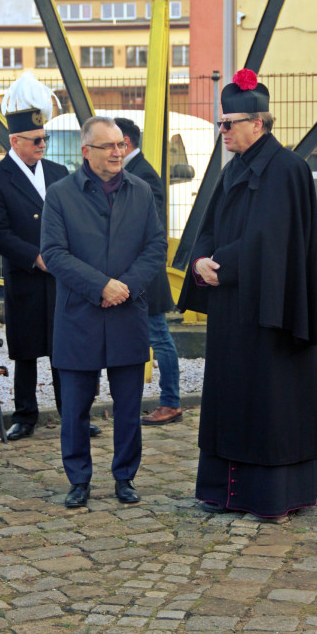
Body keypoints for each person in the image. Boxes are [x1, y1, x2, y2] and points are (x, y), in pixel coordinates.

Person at [178, 69, 317, 517]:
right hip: (233, 308)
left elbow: (270, 240)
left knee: (270, 402)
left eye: (228, 123)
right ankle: (226, 492)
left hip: (274, 311)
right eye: (220, 123)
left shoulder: (287, 169)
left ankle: (272, 495)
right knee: (231, 396)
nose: (222, 131)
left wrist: (220, 267)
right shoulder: (234, 170)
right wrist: (200, 261)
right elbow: (207, 226)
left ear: (258, 123)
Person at [41, 116, 167, 508]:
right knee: (76, 407)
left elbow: (156, 247)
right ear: (86, 151)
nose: (117, 152)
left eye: (121, 145)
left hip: (128, 314)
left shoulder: (142, 191)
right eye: (108, 146)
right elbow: (54, 253)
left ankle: (125, 477)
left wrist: (124, 286)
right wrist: (101, 286)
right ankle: (78, 480)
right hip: (79, 316)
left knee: (129, 407)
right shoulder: (60, 194)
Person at [0, 73, 98, 441]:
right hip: (27, 275)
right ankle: (25, 414)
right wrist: (36, 257)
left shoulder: (60, 172)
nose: (43, 144)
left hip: (63, 277)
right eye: (36, 140)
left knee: (66, 348)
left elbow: (78, 218)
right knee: (27, 351)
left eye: (44, 138)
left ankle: (73, 414)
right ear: (15, 141)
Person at [115, 117, 182, 425]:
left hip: (147, 278)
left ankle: (171, 402)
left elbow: (148, 229)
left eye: (113, 142)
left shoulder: (143, 175)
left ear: (125, 143)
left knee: (160, 338)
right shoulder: (130, 171)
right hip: (132, 275)